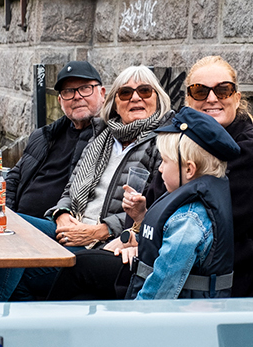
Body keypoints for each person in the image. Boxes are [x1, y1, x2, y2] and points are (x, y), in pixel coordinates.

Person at [142, 56, 253, 297]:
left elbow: (197, 228)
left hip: (211, 293)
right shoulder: (182, 144)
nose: (212, 98)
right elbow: (155, 197)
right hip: (168, 271)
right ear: (188, 99)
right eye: (200, 91)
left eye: (223, 90)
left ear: (236, 97)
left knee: (80, 274)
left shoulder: (250, 154)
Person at [41, 65, 171, 300]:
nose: (135, 98)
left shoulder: (163, 144)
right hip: (72, 223)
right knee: (12, 230)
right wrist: (61, 213)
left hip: (109, 240)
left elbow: (153, 207)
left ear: (158, 99)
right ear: (115, 103)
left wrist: (99, 231)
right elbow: (70, 188)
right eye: (125, 93)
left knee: (23, 266)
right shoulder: (101, 138)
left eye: (144, 91)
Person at [0, 60, 106, 302]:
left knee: (8, 231)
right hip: (19, 225)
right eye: (68, 92)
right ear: (60, 100)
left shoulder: (107, 138)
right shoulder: (44, 135)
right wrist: (5, 210)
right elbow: (15, 177)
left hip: (56, 229)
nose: (77, 97)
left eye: (85, 88)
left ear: (102, 93)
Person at [125, 107, 240, 300]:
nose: (160, 168)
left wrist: (135, 317)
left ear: (189, 169)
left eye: (164, 161)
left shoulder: (188, 221)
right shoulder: (187, 204)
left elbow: (161, 289)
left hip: (180, 321)